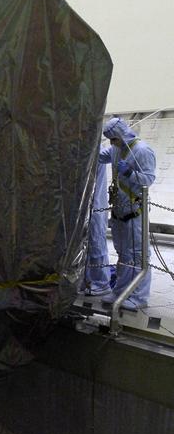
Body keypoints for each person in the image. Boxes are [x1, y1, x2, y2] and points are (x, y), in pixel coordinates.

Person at [100, 116, 156, 311]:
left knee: (137, 255)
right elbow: (100, 156)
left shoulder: (142, 151)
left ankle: (139, 297)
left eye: (113, 138)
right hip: (119, 211)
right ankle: (121, 291)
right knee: (124, 254)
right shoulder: (116, 149)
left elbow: (148, 180)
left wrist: (130, 174)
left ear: (121, 134)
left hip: (134, 212)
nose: (112, 143)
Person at [84, 145, 111, 296]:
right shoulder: (88, 150)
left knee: (96, 243)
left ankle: (101, 282)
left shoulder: (94, 153)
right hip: (89, 206)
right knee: (86, 245)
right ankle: (88, 280)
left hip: (95, 206)